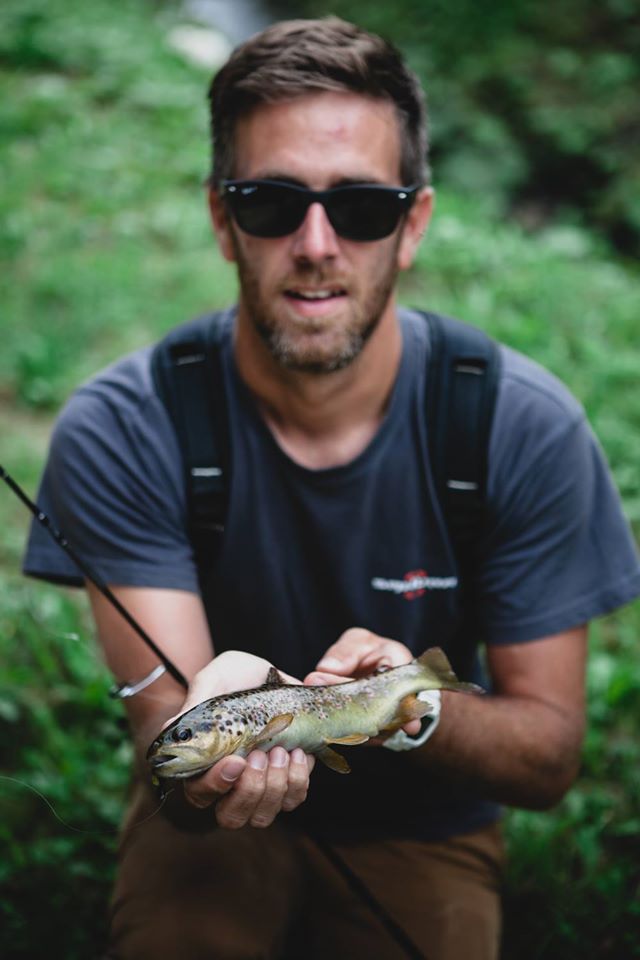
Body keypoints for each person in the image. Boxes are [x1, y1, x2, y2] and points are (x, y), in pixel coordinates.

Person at [23, 16, 640, 960]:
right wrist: (204, 768)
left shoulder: (521, 424)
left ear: (415, 224)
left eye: (362, 207)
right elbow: (171, 746)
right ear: (223, 220)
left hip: (429, 830)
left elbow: (549, 758)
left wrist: (403, 706)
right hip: (207, 842)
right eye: (272, 202)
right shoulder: (124, 424)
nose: (317, 244)